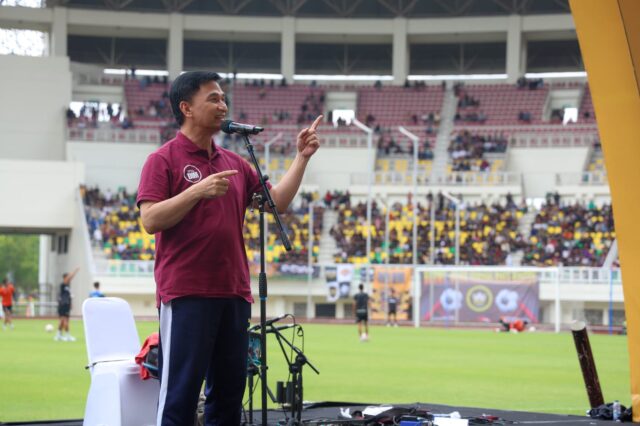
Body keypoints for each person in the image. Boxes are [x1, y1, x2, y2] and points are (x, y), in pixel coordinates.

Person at [136, 71, 321, 426]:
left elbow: (277, 202)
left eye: (223, 98)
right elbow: (150, 220)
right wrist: (196, 191)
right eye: (214, 99)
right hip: (187, 293)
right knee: (180, 396)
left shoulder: (235, 163)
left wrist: (302, 157)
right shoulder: (162, 160)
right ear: (186, 108)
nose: (223, 105)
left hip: (234, 294)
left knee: (227, 399)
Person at [55, 267, 79, 342]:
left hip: (66, 304)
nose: (70, 278)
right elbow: (69, 278)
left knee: (62, 320)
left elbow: (68, 296)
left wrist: (71, 304)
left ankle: (58, 335)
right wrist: (75, 271)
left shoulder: (67, 286)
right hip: (63, 304)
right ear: (65, 278)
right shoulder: (63, 284)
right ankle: (68, 336)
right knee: (65, 320)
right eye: (68, 277)